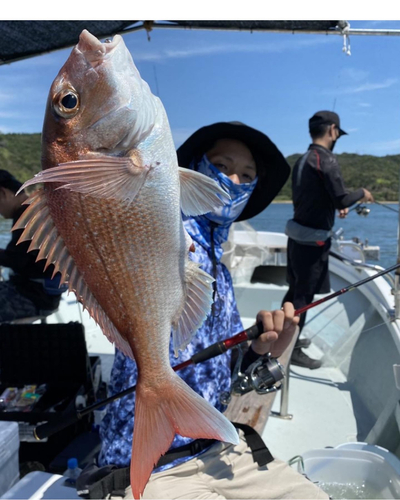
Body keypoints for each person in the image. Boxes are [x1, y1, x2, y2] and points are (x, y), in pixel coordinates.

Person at [95, 122, 329, 499]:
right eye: (222, 165)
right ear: (192, 170)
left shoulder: (220, 269)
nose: (234, 179)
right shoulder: (169, 235)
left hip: (220, 449)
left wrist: (265, 348)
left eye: (248, 174)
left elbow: (228, 369)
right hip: (149, 463)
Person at [282, 111, 374, 370]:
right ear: (332, 130)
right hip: (313, 243)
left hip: (297, 238)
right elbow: (342, 199)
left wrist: (334, 205)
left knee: (294, 291)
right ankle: (288, 349)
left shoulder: (302, 160)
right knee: (303, 298)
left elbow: (313, 198)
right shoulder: (326, 160)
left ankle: (287, 337)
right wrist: (362, 193)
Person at [0, 170, 63, 322]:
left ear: (3, 193)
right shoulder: (35, 210)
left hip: (34, 297)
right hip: (36, 292)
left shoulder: (29, 215)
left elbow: (22, 261)